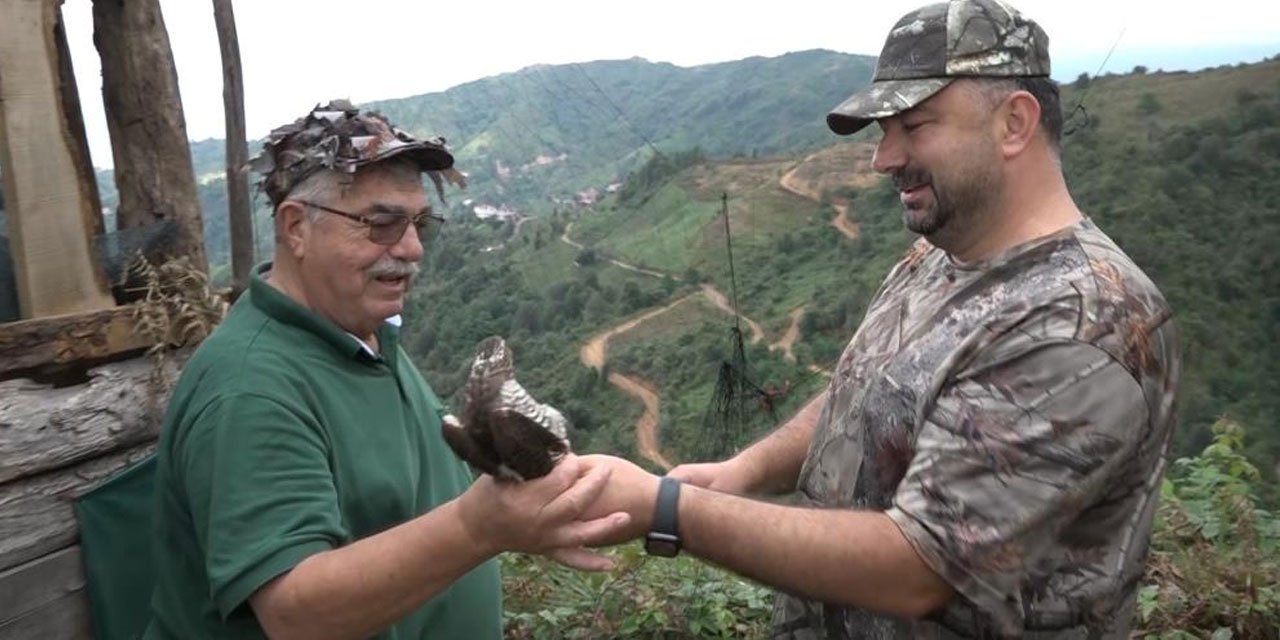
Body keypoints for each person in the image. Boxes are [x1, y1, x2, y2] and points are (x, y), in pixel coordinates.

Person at [576, 0, 1182, 637]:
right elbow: (865, 393)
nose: (882, 158)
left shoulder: (1081, 322)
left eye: (915, 126)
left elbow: (918, 568)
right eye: (884, 131)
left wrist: (665, 509)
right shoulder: (936, 256)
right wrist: (744, 472)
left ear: (1014, 123)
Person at [143, 101, 628, 639]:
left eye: (420, 222)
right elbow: (296, 613)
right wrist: (481, 526)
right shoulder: (250, 390)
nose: (413, 247)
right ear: (296, 227)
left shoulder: (362, 332)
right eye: (382, 224)